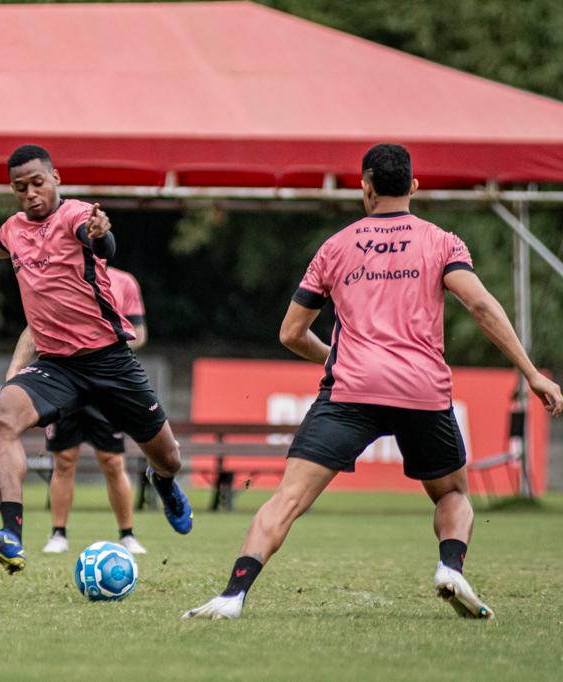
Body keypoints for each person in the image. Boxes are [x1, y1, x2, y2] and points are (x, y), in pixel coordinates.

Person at [183, 143, 563, 622]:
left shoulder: (336, 247)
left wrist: (338, 360)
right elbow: (483, 307)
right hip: (421, 391)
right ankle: (450, 567)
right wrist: (531, 374)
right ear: (413, 187)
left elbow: (290, 333)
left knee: (288, 498)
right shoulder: (442, 242)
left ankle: (232, 595)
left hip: (351, 392)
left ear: (364, 187)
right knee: (451, 494)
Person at [0, 144, 191, 575]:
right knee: (1, 419)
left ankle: (162, 483)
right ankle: (12, 536)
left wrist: (101, 232)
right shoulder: (14, 230)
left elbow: (102, 242)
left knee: (169, 458)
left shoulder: (75, 216)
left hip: (109, 360)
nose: (31, 193)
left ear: (55, 178)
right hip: (56, 365)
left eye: (37, 183)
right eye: (20, 187)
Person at [5, 265, 150, 555]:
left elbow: (140, 333)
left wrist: (107, 352)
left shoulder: (124, 281)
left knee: (112, 461)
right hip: (65, 382)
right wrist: (17, 368)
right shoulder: (59, 279)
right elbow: (36, 326)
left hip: (104, 384)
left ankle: (127, 534)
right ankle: (58, 534)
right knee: (64, 460)